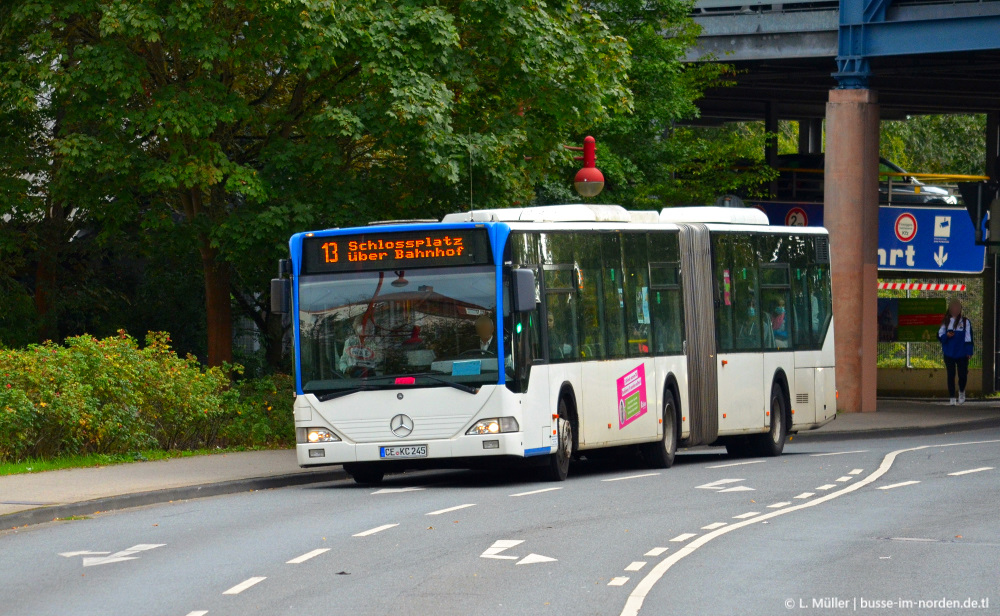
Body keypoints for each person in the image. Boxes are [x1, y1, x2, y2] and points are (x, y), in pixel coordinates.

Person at [938, 299, 973, 405]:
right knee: (951, 374)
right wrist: (946, 336)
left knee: (962, 375)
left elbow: (969, 338)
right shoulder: (945, 321)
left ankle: (962, 391)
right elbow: (940, 336)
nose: (955, 310)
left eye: (957, 308)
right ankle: (952, 397)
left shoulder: (965, 322)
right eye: (953, 307)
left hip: (962, 353)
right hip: (949, 353)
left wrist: (969, 351)